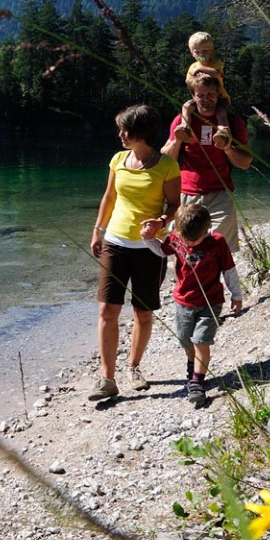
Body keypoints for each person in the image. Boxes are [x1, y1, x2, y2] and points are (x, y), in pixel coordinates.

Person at [87, 104, 181, 401]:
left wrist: (162, 222)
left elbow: (175, 205)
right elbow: (109, 197)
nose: (120, 134)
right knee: (107, 309)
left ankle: (134, 367)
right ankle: (107, 379)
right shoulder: (118, 160)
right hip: (115, 242)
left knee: (142, 312)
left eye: (124, 130)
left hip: (149, 248)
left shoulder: (167, 166)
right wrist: (97, 229)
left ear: (139, 133)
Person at [157, 204, 241, 405]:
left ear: (207, 228)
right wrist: (147, 237)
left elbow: (229, 270)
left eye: (196, 239)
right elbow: (160, 251)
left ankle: (197, 381)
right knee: (185, 340)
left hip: (210, 302)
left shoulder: (217, 242)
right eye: (188, 239)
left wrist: (236, 295)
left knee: (200, 341)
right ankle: (192, 365)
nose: (191, 243)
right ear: (178, 231)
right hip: (183, 301)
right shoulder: (176, 238)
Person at [164, 71, 253, 251]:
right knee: (183, 246)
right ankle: (187, 278)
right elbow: (166, 159)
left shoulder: (233, 123)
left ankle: (212, 278)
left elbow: (245, 163)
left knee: (219, 246)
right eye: (201, 95)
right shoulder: (181, 122)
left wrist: (227, 148)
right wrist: (177, 140)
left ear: (218, 94)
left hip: (220, 192)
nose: (206, 99)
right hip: (187, 192)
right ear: (193, 96)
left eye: (210, 94)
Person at [180, 32, 231, 135]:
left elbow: (217, 73)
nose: (201, 54)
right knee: (186, 107)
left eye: (205, 51)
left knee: (220, 112)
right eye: (197, 52)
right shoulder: (192, 67)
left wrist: (200, 69)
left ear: (211, 51)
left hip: (220, 96)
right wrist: (195, 78)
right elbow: (188, 82)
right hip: (200, 96)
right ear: (192, 53)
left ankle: (223, 131)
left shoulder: (216, 63)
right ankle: (185, 127)